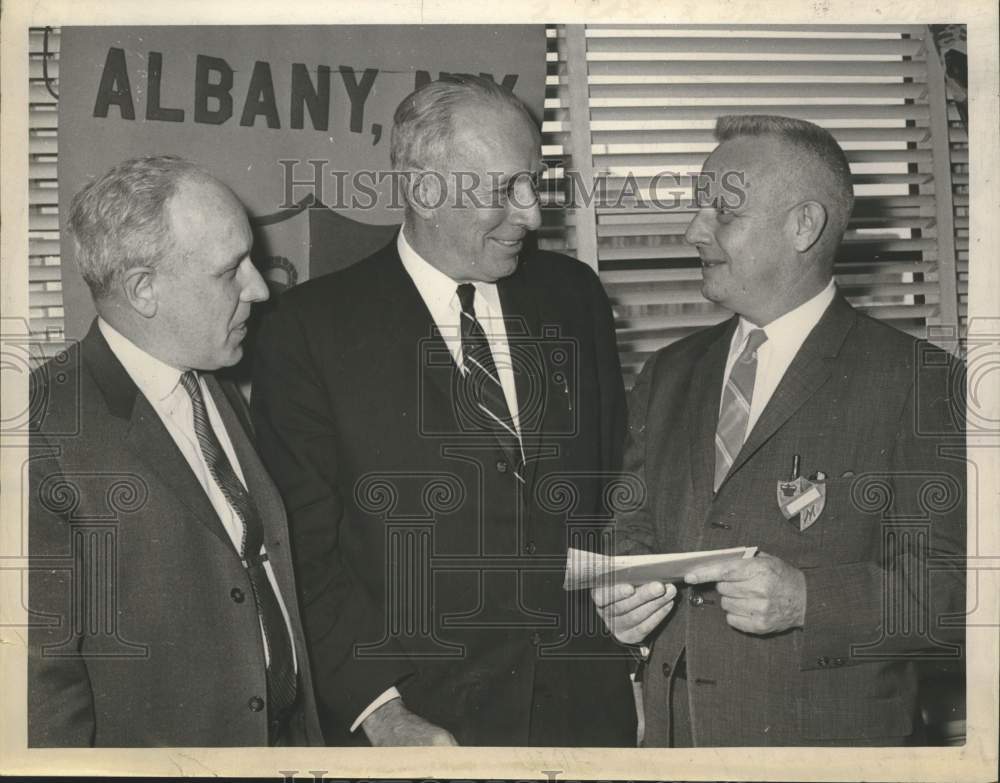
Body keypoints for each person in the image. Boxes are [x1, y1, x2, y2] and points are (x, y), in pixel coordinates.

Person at [251, 75, 636, 747]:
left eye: (534, 184)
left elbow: (614, 490)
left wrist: (635, 612)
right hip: (423, 725)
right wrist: (383, 712)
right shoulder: (308, 330)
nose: (533, 214)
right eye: (504, 190)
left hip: (585, 713)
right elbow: (305, 558)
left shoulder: (574, 296)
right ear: (424, 189)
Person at [592, 115, 966, 747]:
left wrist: (809, 602)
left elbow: (962, 596)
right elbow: (630, 530)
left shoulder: (922, 382)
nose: (692, 230)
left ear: (804, 226)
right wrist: (623, 595)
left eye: (723, 213)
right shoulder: (668, 373)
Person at [28, 155, 323, 746]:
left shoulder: (210, 378)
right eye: (230, 271)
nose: (259, 289)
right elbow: (41, 694)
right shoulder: (40, 430)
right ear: (144, 291)